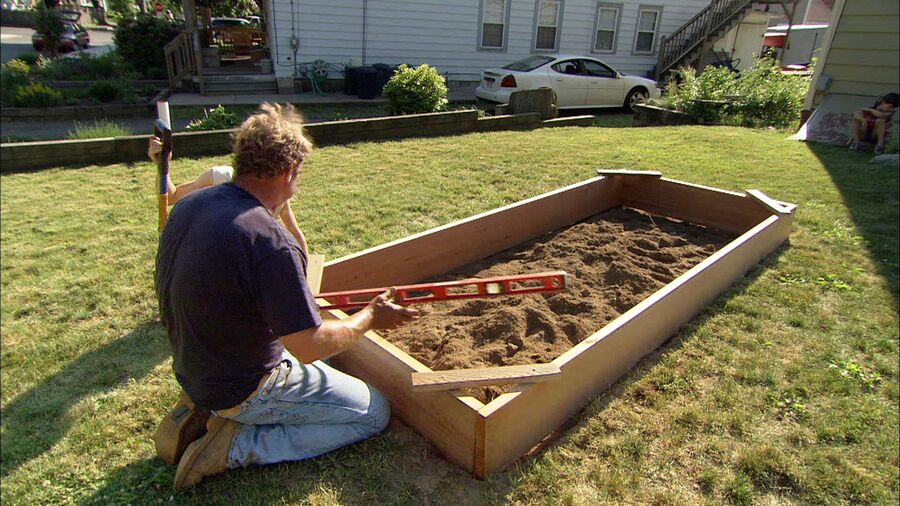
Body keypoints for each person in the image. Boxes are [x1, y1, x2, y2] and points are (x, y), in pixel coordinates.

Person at [153, 103, 420, 490]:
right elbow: (309, 346)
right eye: (299, 175)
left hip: (194, 364)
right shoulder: (268, 242)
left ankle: (210, 408)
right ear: (285, 171)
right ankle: (235, 445)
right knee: (373, 412)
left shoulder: (192, 205)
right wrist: (369, 318)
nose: (298, 184)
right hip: (245, 384)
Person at [148, 138, 309, 254]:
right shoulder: (220, 178)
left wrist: (306, 271)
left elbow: (295, 232)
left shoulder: (279, 194)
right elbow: (172, 196)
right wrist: (163, 166)